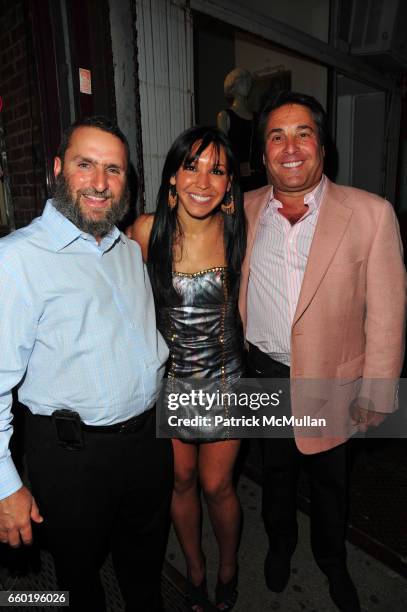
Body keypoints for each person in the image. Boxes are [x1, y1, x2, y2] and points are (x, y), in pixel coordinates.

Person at [238, 91, 406, 612]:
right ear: (263, 152)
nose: (291, 147)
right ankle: (280, 547)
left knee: (332, 484)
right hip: (263, 373)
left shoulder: (371, 213)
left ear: (322, 146)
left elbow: (387, 310)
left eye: (303, 133)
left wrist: (378, 391)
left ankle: (333, 562)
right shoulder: (242, 210)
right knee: (276, 476)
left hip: (334, 378)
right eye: (276, 136)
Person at [0, 116, 173, 612]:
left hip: (146, 443)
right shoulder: (16, 261)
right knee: (80, 578)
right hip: (72, 457)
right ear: (58, 170)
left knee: (144, 567)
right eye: (86, 165)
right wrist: (5, 485)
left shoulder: (126, 250)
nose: (100, 183)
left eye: (114, 170)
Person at [127, 126, 246, 611]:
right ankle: (195, 567)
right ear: (172, 177)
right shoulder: (144, 231)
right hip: (171, 384)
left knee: (218, 485)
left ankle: (229, 565)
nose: (203, 179)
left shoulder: (241, 228)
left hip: (226, 381)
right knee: (179, 482)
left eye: (217, 170)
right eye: (192, 166)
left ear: (229, 185)